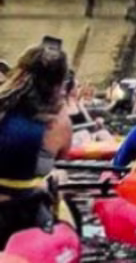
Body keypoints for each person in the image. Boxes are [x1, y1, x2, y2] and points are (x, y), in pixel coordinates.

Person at [0, 41, 73, 247]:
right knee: (59, 184)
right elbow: (60, 157)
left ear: (20, 73)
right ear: (60, 82)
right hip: (25, 218)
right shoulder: (60, 122)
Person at [63, 71, 113, 145]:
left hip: (85, 135)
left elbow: (89, 123)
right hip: (72, 137)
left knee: (104, 134)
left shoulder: (78, 104)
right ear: (71, 89)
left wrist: (97, 123)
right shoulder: (60, 105)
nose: (80, 89)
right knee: (83, 134)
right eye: (78, 86)